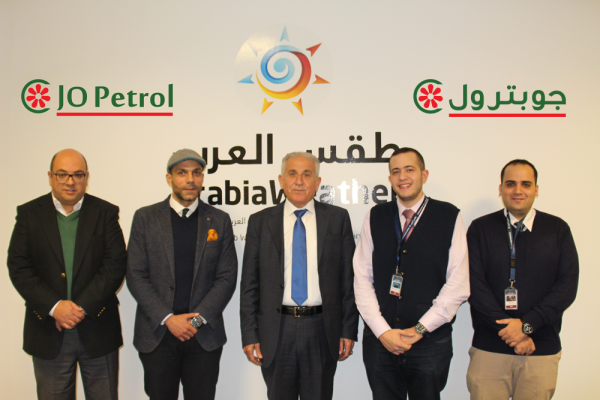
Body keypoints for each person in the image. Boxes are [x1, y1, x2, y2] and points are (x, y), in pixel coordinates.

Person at [7, 149, 127, 400]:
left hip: (98, 330)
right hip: (48, 332)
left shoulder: (105, 212)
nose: (70, 182)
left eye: (78, 175)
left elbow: (115, 265)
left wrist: (80, 308)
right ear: (50, 177)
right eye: (62, 175)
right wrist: (55, 307)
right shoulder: (29, 214)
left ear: (87, 177)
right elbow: (19, 267)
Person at [240, 151, 359, 400]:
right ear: (281, 180)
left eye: (307, 174)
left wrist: (348, 329)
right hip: (276, 330)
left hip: (322, 329)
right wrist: (250, 334)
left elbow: (348, 281)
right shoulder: (260, 222)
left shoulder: (337, 219)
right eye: (292, 174)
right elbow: (250, 284)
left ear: (317, 182)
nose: (299, 181)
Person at [353, 147, 469, 400]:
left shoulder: (449, 215)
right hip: (380, 344)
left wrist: (419, 329)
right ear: (390, 179)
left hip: (430, 344)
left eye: (409, 170)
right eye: (396, 171)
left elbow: (458, 284)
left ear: (424, 175)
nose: (402, 177)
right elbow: (362, 277)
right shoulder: (375, 216)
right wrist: (382, 331)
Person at [126, 149, 237, 400]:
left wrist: (194, 323)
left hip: (202, 336)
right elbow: (135, 274)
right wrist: (168, 319)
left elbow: (227, 277)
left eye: (196, 173)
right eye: (182, 173)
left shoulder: (219, 220)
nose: (190, 180)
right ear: (169, 178)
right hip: (158, 336)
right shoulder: (145, 218)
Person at [466, 159, 579, 400]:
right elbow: (474, 285)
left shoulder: (558, 229)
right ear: (500, 189)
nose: (518, 190)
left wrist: (527, 327)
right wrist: (510, 331)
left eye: (526, 184)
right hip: (490, 351)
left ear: (536, 189)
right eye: (510, 184)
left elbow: (567, 286)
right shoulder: (480, 229)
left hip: (540, 350)